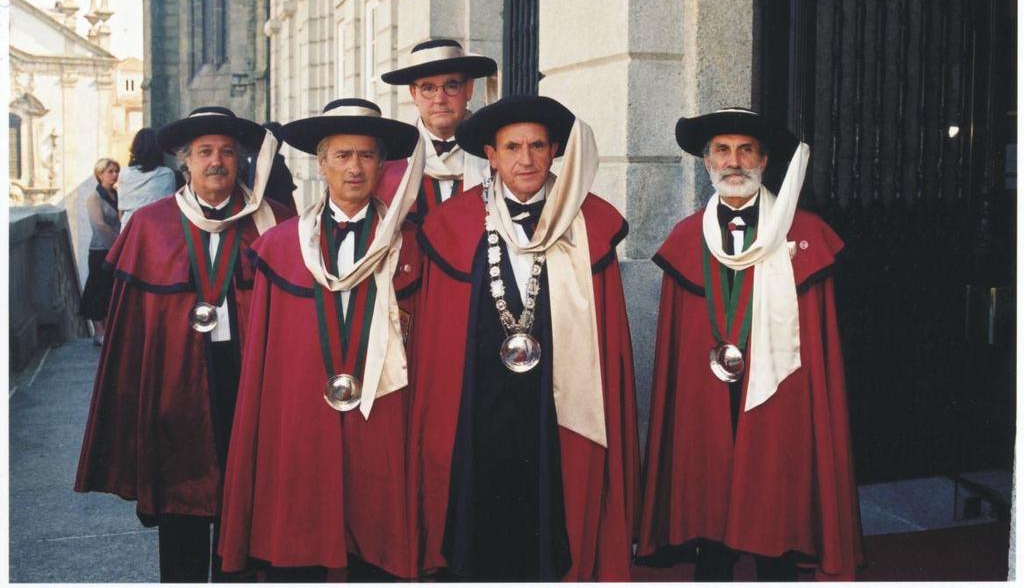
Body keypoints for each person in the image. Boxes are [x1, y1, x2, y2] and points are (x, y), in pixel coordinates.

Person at [407, 95, 640, 581]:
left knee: (553, 497)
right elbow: (438, 341)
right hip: (479, 396)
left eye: (537, 145)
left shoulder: (589, 223)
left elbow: (608, 342)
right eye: (512, 147)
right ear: (490, 155)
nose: (526, 159)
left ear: (556, 150)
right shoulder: (451, 226)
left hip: (558, 397)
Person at [636, 107, 863, 580]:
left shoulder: (805, 236)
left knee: (776, 482)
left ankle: (776, 563)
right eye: (722, 151)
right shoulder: (684, 237)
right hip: (707, 387)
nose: (733, 162)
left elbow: (818, 343)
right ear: (706, 163)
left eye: (745, 151)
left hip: (780, 388)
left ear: (764, 160)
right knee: (707, 482)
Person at [75, 107, 289, 582]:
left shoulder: (273, 223)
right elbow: (132, 332)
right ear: (185, 161)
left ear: (241, 161)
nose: (217, 162)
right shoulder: (151, 225)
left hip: (250, 376)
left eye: (228, 153)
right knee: (182, 503)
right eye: (206, 153)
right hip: (175, 382)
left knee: (251, 507)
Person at [217, 98, 424, 580]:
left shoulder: (412, 244)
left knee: (378, 538)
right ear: (321, 163)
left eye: (367, 156)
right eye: (342, 155)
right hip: (302, 413)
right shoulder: (281, 245)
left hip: (384, 408)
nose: (355, 168)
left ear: (382, 165)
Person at [379, 38, 496, 219]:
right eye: (428, 88)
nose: (439, 99)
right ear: (413, 93)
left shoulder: (494, 156)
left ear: (469, 89)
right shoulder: (392, 165)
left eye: (451, 86)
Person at [79, 157, 121, 345]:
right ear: (100, 174)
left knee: (111, 289)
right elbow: (99, 224)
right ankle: (99, 331)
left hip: (118, 249)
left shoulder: (119, 195)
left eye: (116, 171)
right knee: (97, 288)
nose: (114, 175)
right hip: (101, 250)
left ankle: (108, 330)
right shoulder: (93, 198)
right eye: (110, 171)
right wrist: (119, 242)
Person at [117, 127, 178, 225]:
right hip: (156, 226)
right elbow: (169, 208)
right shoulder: (167, 174)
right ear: (158, 148)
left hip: (129, 226)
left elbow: (121, 211)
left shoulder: (123, 174)